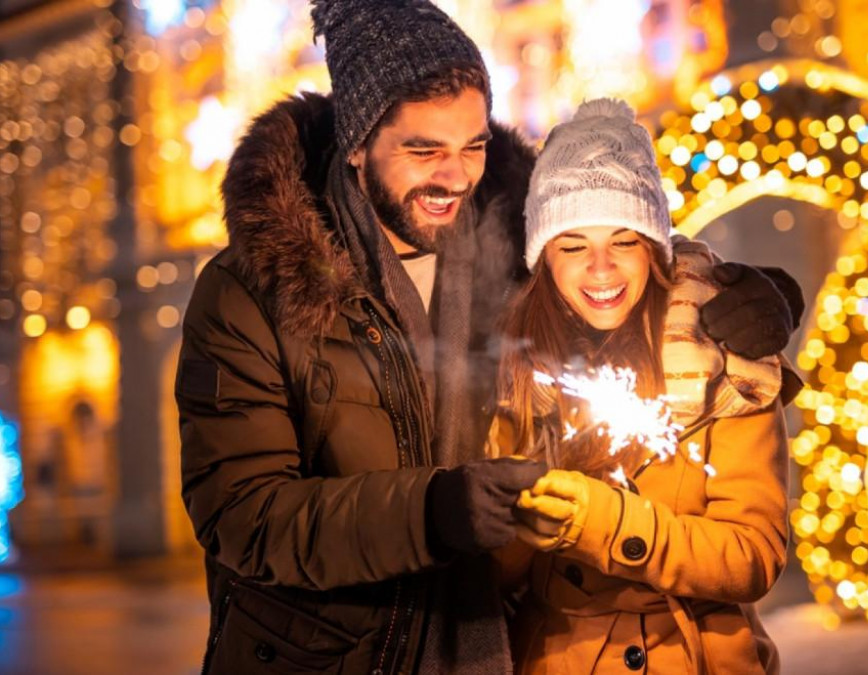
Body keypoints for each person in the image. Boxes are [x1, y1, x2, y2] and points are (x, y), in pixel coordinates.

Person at [175, 1, 803, 673]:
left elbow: (614, 253)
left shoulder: (514, 248)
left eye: (472, 146)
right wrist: (432, 512)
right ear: (358, 144)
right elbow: (245, 515)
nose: (455, 177)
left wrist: (748, 290)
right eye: (423, 151)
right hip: (328, 656)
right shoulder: (253, 290)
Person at [490, 99, 797, 674]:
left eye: (625, 242)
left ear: (656, 249)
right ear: (543, 260)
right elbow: (488, 574)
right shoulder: (515, 374)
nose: (601, 269)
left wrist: (607, 525)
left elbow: (754, 555)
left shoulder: (726, 361)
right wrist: (518, 528)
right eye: (574, 246)